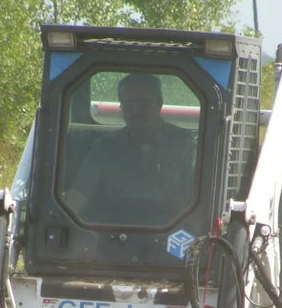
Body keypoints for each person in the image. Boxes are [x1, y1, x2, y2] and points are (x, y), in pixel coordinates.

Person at [63, 73, 197, 222]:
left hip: (171, 237)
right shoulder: (105, 147)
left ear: (159, 103)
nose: (136, 111)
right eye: (128, 104)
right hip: (109, 234)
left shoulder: (185, 146)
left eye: (143, 104)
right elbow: (78, 196)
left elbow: (197, 206)